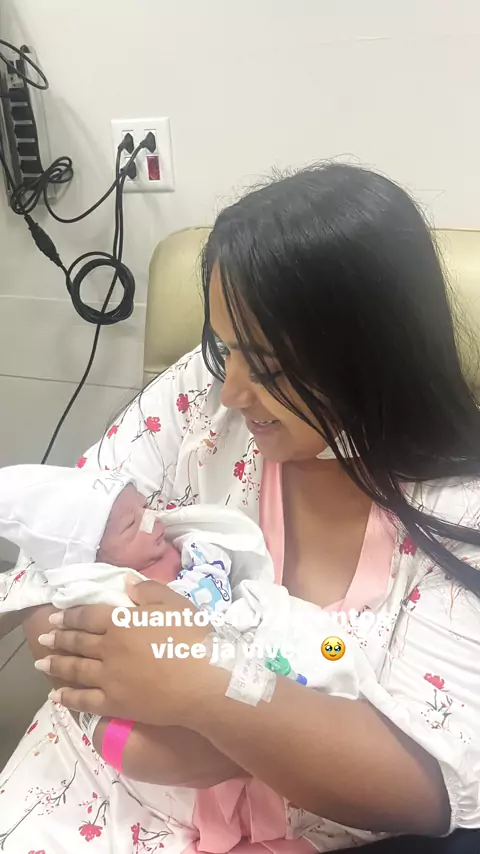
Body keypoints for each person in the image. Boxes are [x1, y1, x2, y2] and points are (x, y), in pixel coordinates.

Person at [1, 163, 480, 853]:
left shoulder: (459, 508)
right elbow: (52, 557)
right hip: (97, 792)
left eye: (269, 367)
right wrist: (121, 730)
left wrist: (206, 693)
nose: (230, 392)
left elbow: (427, 790)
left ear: (373, 354)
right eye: (225, 348)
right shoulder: (197, 395)